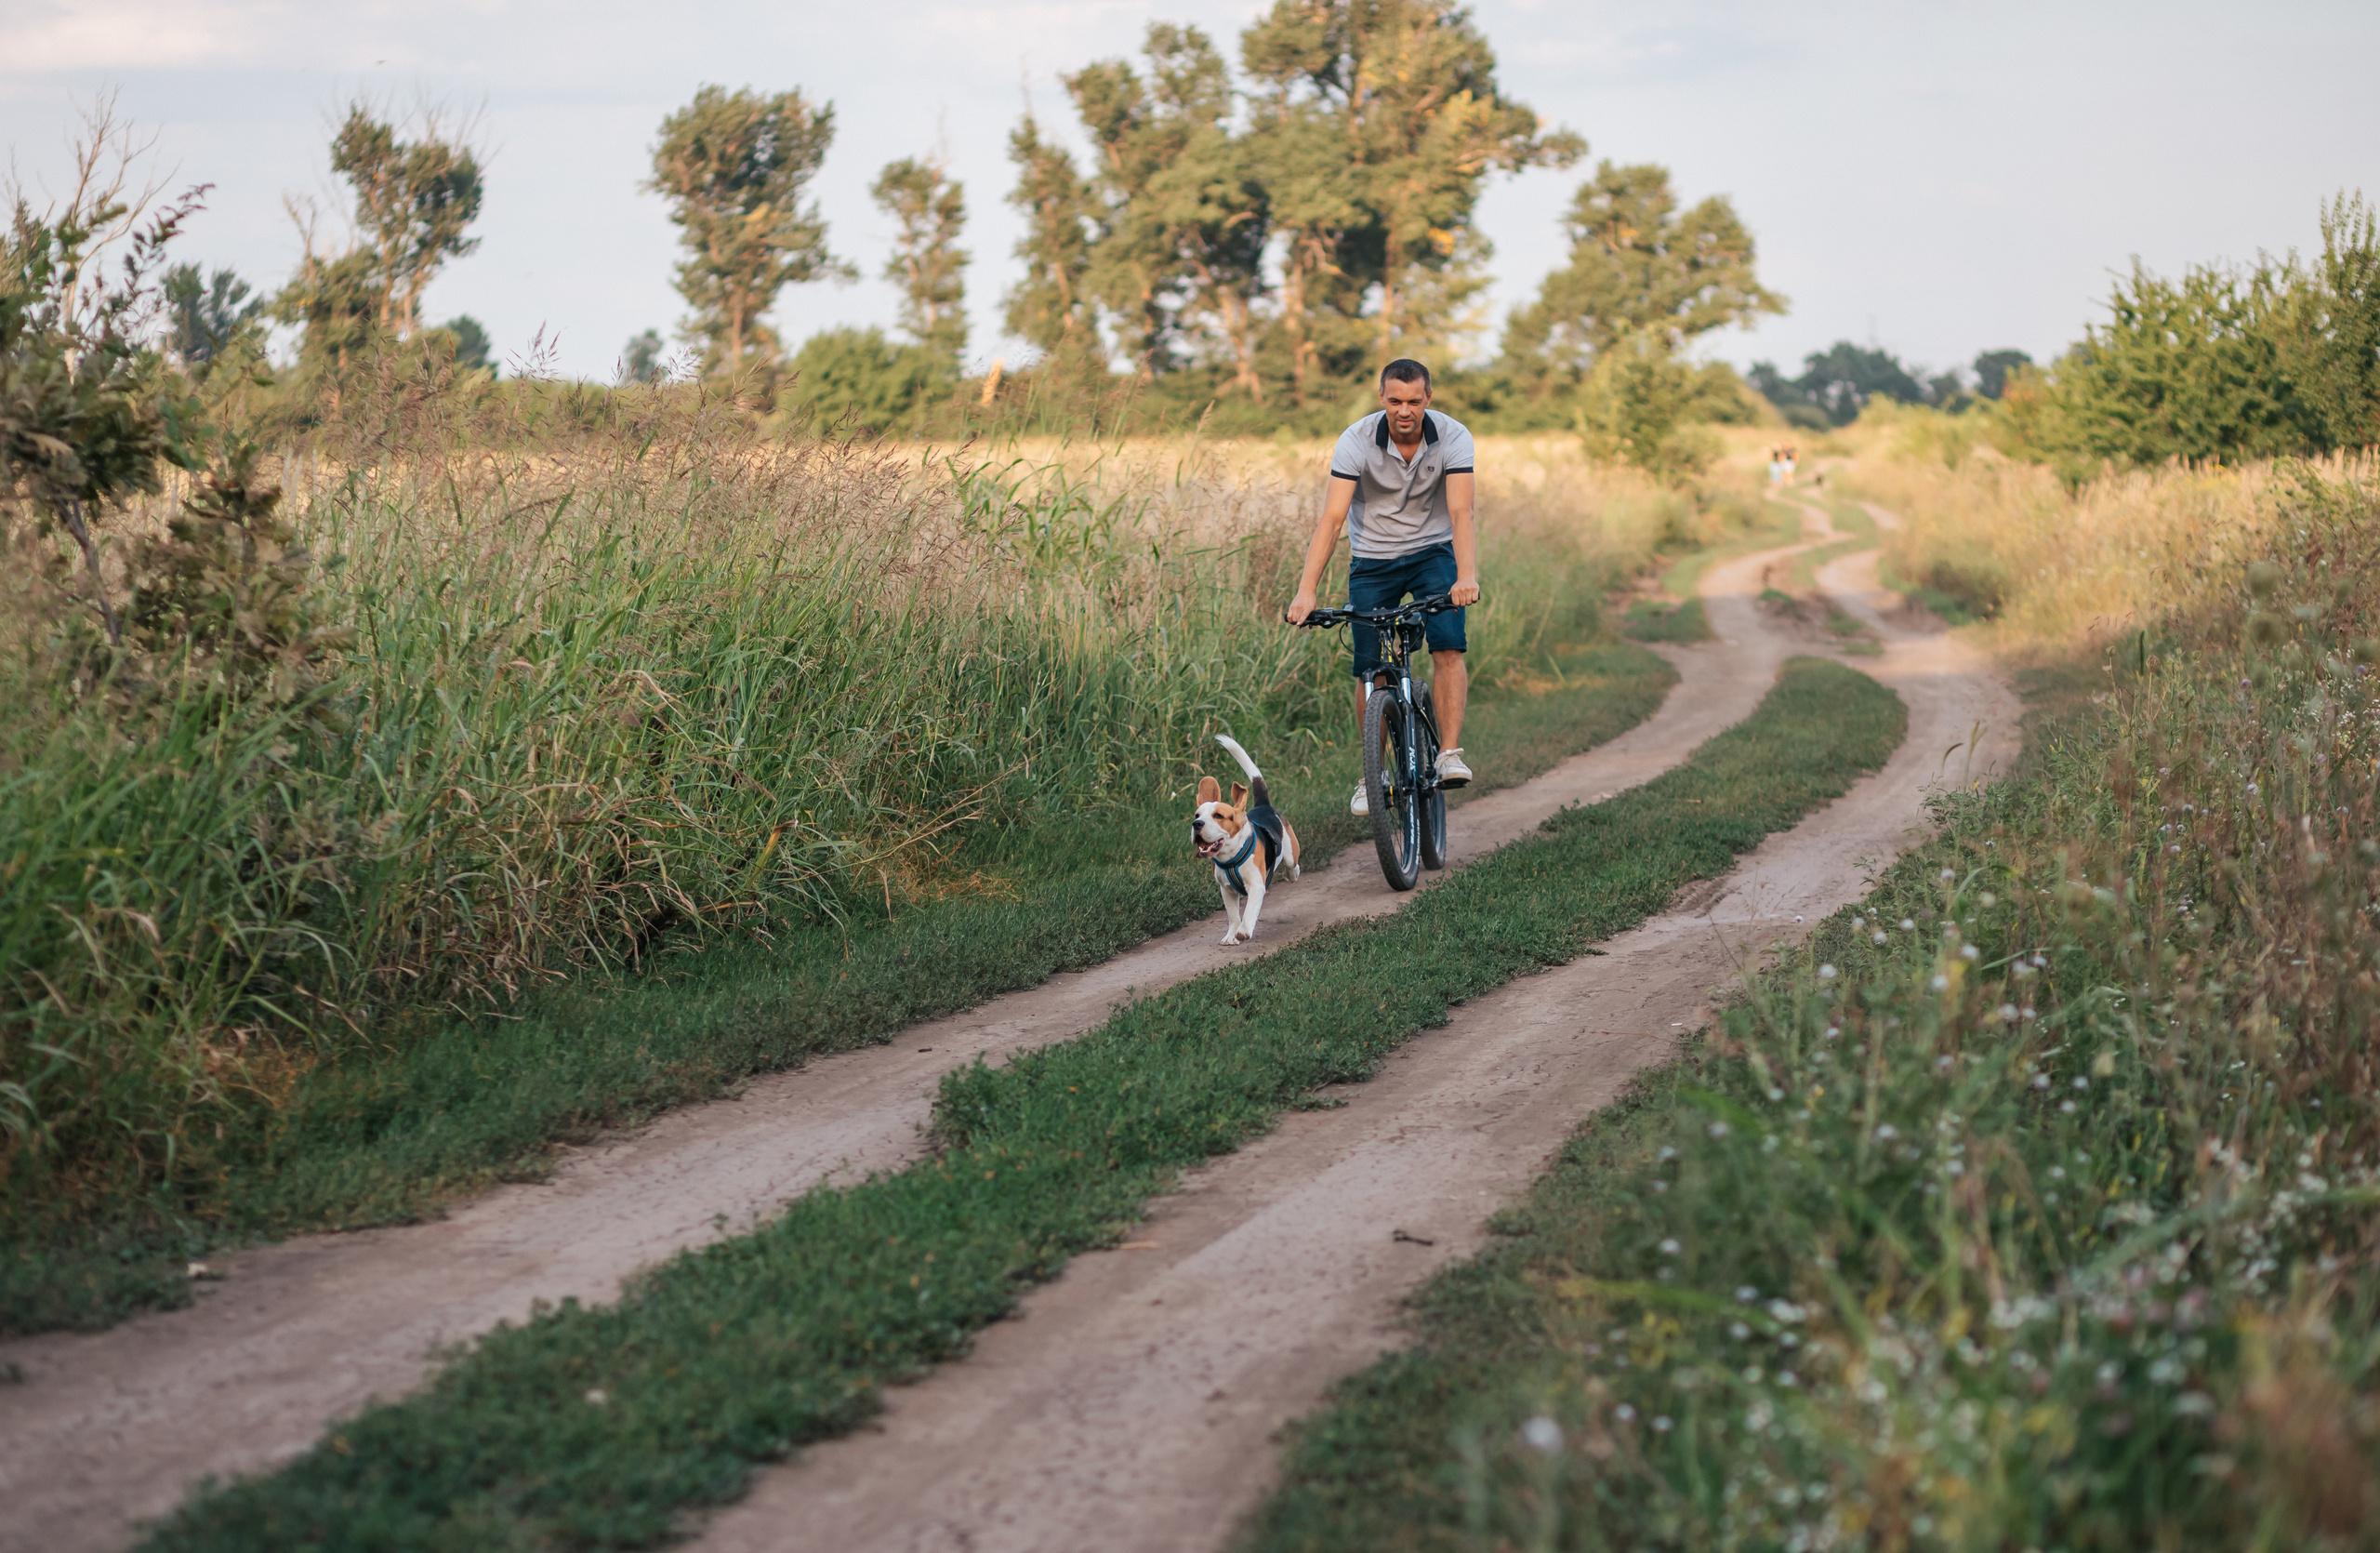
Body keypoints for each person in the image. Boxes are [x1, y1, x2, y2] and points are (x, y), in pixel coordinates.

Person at [1285, 358, 1481, 816]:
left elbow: (1461, 514)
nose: (1405, 410)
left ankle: (1449, 754)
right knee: (1368, 669)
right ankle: (1372, 775)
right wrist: (1306, 590)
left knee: (1448, 646)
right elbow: (1333, 519)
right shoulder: (1355, 441)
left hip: (1434, 552)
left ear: (1428, 399)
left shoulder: (1453, 436)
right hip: (1372, 559)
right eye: (1395, 401)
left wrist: (1466, 575)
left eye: (1414, 401)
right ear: (1382, 399)